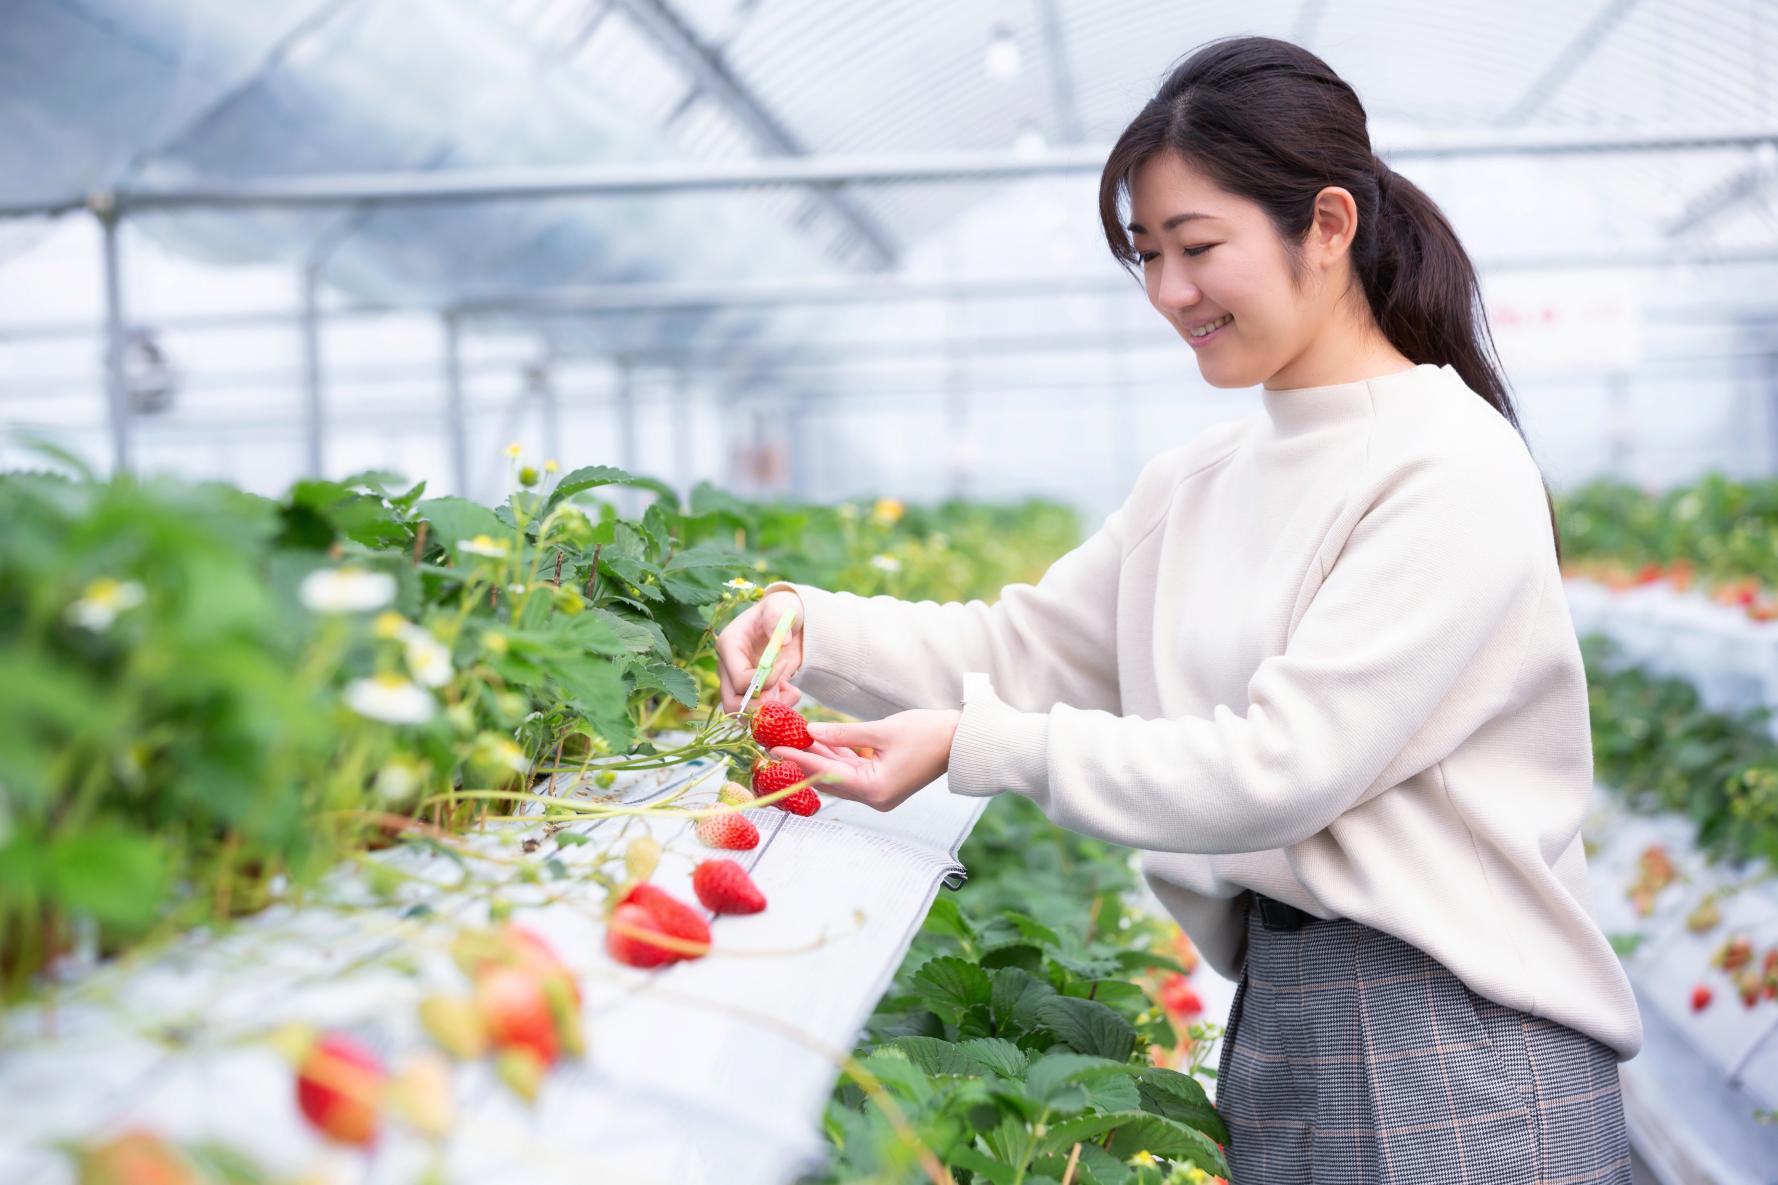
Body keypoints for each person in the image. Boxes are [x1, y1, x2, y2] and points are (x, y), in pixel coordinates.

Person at [715, 35, 1639, 1185]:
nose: (1167, 293)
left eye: (1197, 248)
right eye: (1145, 255)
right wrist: (808, 622)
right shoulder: (1199, 481)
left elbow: (1284, 766)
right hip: (1286, 1019)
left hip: (1452, 1051)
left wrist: (974, 745)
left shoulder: (1444, 464)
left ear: (1328, 226)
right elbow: (1020, 650)